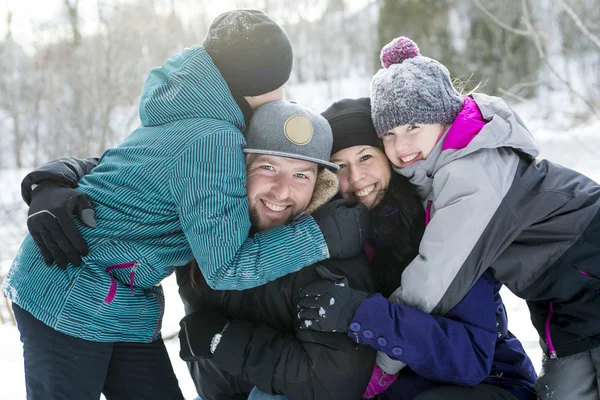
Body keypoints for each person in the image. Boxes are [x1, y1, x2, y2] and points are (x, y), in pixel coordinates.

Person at [3, 10, 367, 400]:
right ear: (249, 83)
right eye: (274, 84)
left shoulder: (189, 105)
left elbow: (135, 169)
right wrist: (318, 236)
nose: (280, 96)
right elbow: (226, 266)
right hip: (70, 288)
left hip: (122, 301)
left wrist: (58, 174)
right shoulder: (214, 137)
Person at [315, 36, 600, 400]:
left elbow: (433, 281)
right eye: (389, 134)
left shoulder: (471, 174)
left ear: (445, 118)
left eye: (413, 128)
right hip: (562, 295)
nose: (402, 147)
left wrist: (382, 367)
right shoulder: (437, 173)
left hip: (589, 267)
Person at [295, 97, 537, 400]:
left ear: (387, 156)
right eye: (340, 166)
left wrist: (361, 313)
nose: (355, 178)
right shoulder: (333, 239)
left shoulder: (442, 222)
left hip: (490, 384)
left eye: (366, 157)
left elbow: (468, 360)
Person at [177, 100, 375, 400]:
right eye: (268, 167)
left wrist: (223, 340)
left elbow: (331, 381)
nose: (282, 191)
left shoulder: (330, 258)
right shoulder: (206, 225)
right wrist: (76, 174)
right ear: (241, 170)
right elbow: (129, 174)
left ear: (320, 185)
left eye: (301, 175)